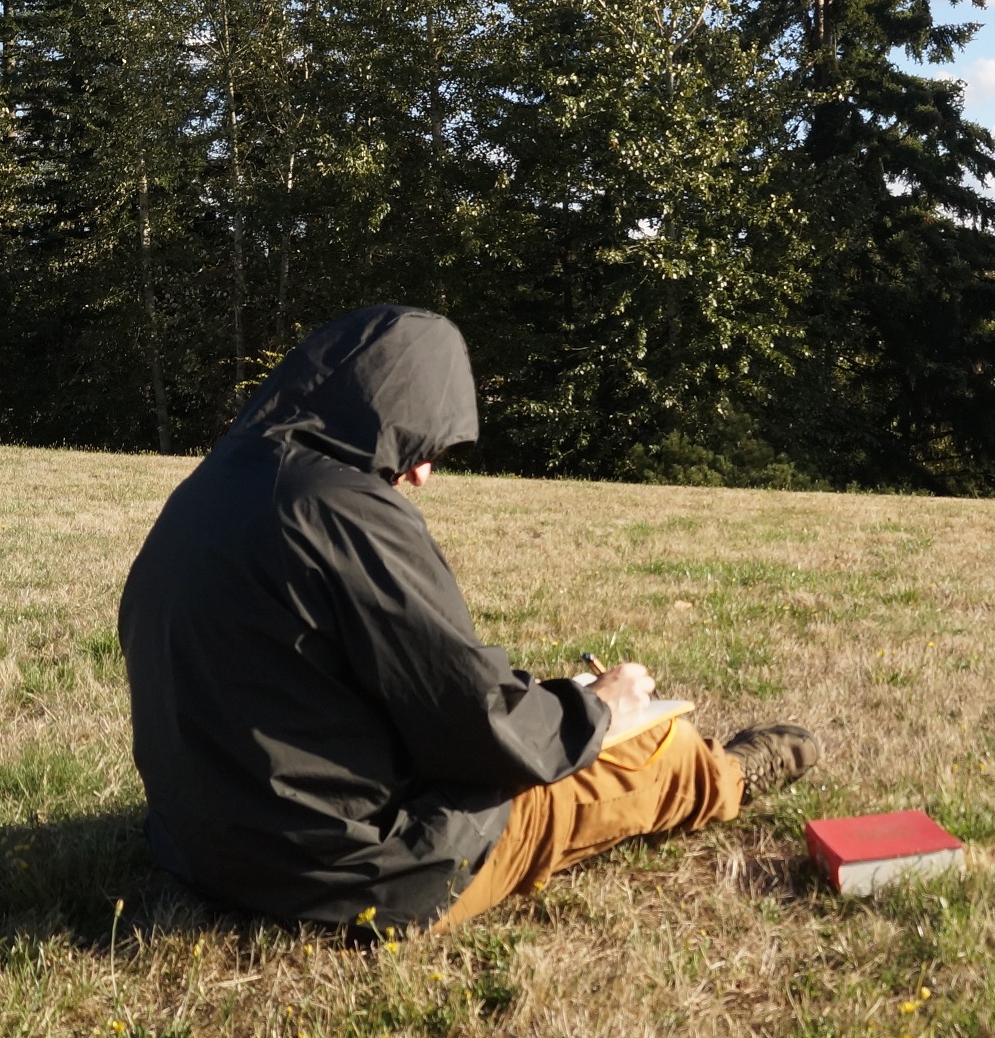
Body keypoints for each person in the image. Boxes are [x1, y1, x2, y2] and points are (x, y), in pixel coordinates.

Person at [118, 304, 819, 932]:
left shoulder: (215, 485)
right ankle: (726, 776)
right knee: (653, 750)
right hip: (348, 877)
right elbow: (477, 727)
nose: (421, 474)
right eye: (417, 445)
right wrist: (600, 710)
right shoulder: (343, 510)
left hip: (199, 851)